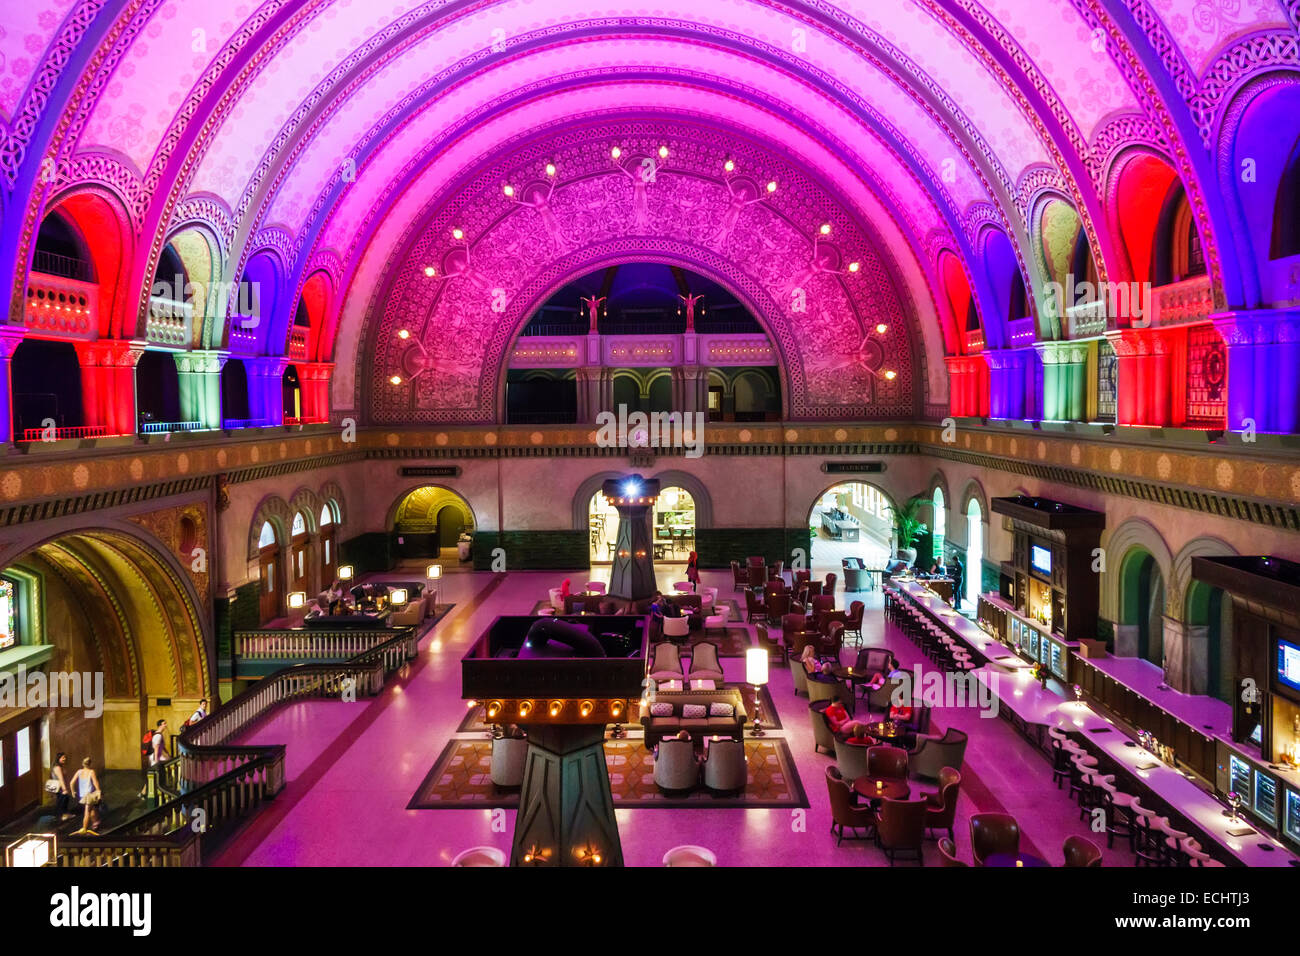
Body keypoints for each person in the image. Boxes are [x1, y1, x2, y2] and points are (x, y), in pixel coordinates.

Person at [70, 757, 101, 835]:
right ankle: (84, 827)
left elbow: (71, 782)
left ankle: (95, 822)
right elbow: (95, 783)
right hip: (89, 795)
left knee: (92, 808)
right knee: (87, 811)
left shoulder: (79, 772)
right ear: (90, 764)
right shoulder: (91, 772)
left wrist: (73, 791)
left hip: (82, 795)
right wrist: (98, 791)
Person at [51, 752, 73, 821]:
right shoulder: (57, 768)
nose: (64, 759)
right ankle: (63, 815)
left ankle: (62, 815)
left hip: (58, 788)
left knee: (61, 801)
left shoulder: (58, 767)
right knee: (64, 800)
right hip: (60, 788)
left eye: (65, 757)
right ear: (58, 759)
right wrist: (64, 789)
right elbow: (61, 779)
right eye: (63, 758)